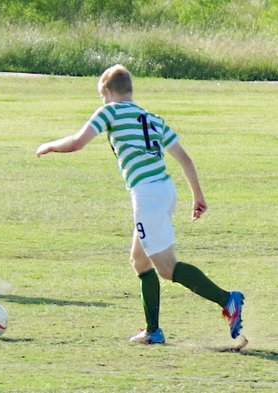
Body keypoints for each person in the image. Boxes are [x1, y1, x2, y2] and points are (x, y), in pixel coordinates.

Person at [36, 64, 244, 345]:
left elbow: (76, 143)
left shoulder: (109, 111)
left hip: (148, 197)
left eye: (102, 96)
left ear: (108, 92)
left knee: (167, 268)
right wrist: (198, 196)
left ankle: (227, 300)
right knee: (139, 260)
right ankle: (153, 331)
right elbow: (184, 158)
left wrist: (48, 145)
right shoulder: (152, 118)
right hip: (165, 191)